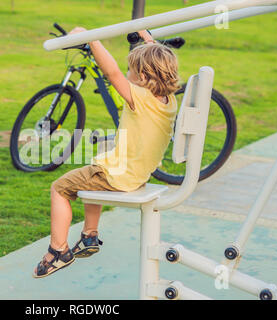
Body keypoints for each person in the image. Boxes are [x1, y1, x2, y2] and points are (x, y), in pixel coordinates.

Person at [33, 27, 180, 278]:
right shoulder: (169, 101)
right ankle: (89, 235)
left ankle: (58, 251)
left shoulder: (139, 97)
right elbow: (158, 60)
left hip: (117, 176)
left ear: (143, 76)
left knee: (59, 188)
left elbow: (110, 71)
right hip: (136, 174)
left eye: (131, 71)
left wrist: (91, 38)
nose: (126, 74)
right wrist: (147, 39)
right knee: (99, 161)